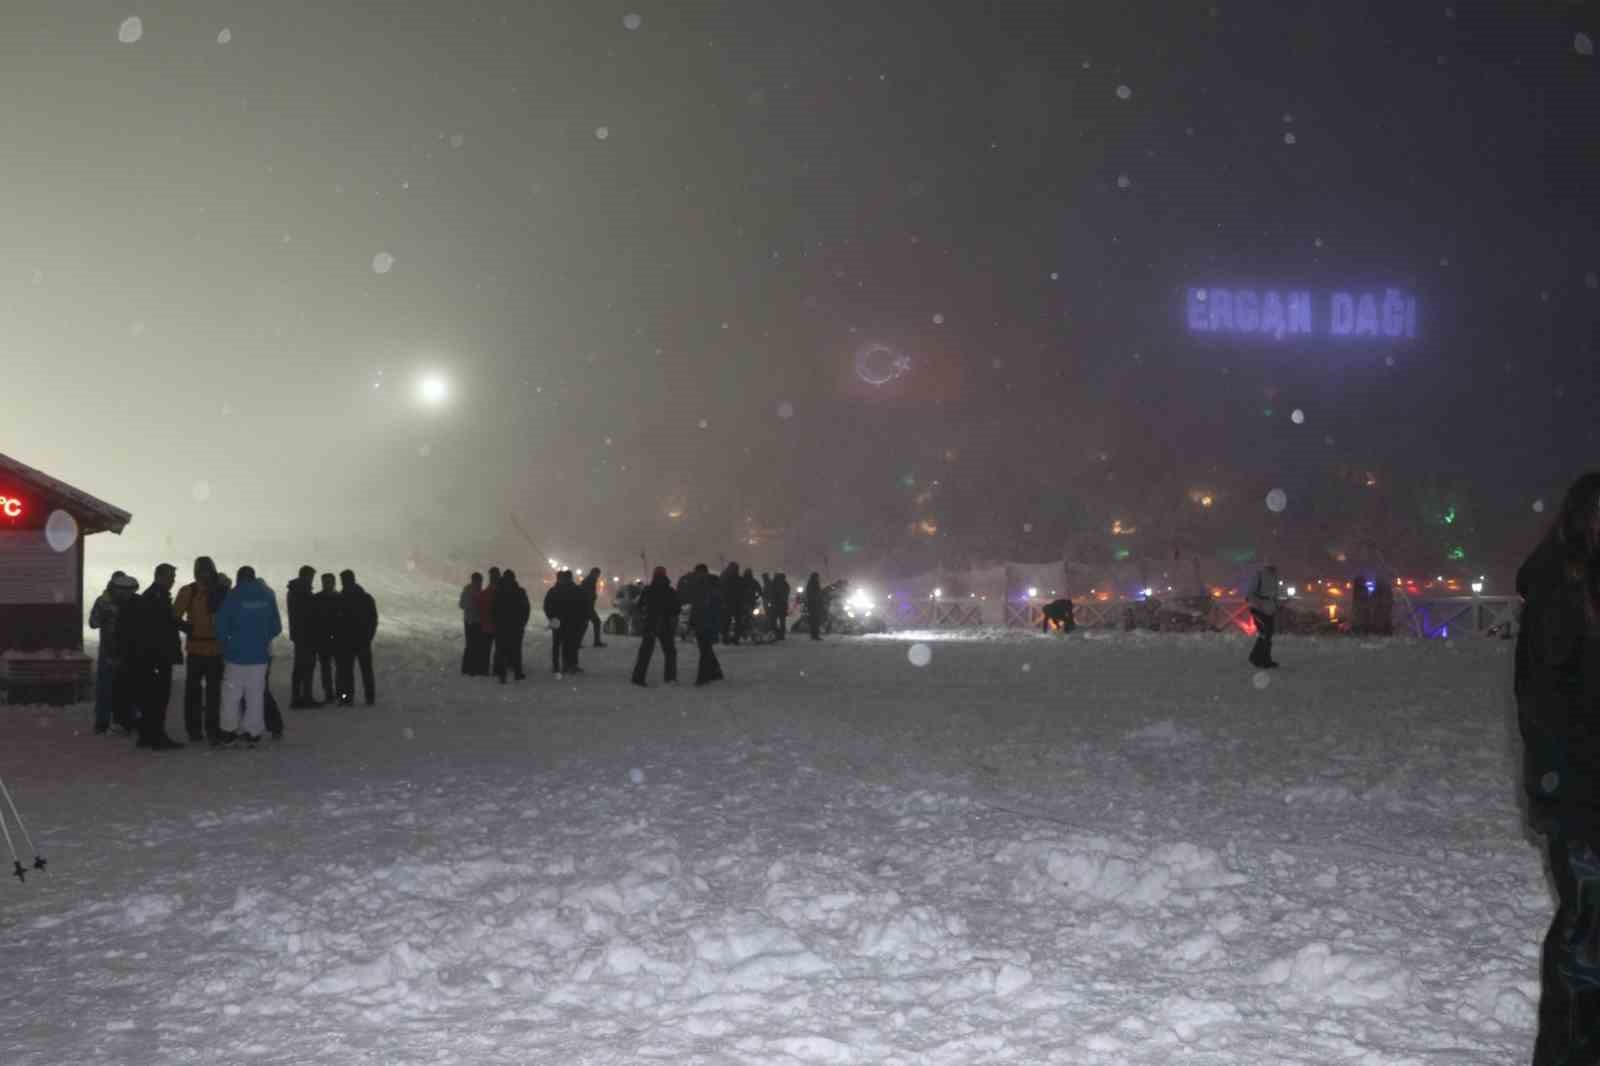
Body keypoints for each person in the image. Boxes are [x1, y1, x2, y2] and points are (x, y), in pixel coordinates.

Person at [1518, 473, 1600, 1066]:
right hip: (1580, 793)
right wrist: (1559, 790)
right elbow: (1544, 701)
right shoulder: (1562, 591)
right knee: (1586, 930)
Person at [213, 566, 282, 746]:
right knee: (256, 695)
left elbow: (220, 624)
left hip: (235, 655)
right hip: (260, 656)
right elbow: (276, 627)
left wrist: (226, 642)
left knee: (231, 694)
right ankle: (253, 732)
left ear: (238, 578)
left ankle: (228, 731)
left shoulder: (233, 596)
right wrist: (262, 638)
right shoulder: (268, 595)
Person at [121, 563, 186, 750]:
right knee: (158, 698)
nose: (173, 580)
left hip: (152, 656)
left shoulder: (154, 596)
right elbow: (160, 628)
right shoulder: (156, 597)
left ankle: (148, 735)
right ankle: (156, 736)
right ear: (160, 576)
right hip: (157, 656)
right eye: (171, 577)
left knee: (151, 698)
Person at [173, 555, 227, 743]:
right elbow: (175, 617)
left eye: (207, 570)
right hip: (199, 649)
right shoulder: (191, 591)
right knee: (196, 693)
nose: (205, 574)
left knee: (211, 693)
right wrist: (188, 628)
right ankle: (196, 731)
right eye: (202, 570)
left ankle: (209, 729)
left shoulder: (219, 590)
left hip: (213, 649)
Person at [89, 572, 139, 734]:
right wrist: (105, 610)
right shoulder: (104, 602)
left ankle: (123, 719)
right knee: (107, 687)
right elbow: (94, 622)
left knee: (126, 687)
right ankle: (104, 721)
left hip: (124, 651)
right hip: (109, 651)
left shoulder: (129, 601)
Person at [631, 567, 680, 686]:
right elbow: (676, 609)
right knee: (670, 652)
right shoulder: (670, 591)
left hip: (651, 623)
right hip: (665, 624)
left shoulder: (648, 590)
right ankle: (670, 677)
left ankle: (638, 677)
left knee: (645, 652)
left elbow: (639, 606)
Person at [336, 569, 378, 706]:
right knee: (366, 671)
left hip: (347, 641)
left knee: (346, 672)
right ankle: (369, 697)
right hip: (362, 641)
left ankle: (346, 697)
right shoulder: (366, 598)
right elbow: (373, 620)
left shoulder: (341, 599)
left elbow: (337, 621)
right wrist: (368, 636)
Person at [285, 565, 321, 707]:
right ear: (307, 576)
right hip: (307, 634)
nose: (312, 580)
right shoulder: (303, 591)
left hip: (298, 634)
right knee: (307, 666)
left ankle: (297, 697)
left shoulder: (293, 590)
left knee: (299, 666)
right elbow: (310, 613)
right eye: (311, 576)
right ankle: (305, 697)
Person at [493, 570, 531, 682]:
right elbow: (526, 609)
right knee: (516, 650)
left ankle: (502, 674)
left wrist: (496, 622)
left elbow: (493, 609)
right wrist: (522, 622)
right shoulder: (520, 591)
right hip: (516, 626)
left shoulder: (499, 591)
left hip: (502, 626)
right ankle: (517, 672)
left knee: (501, 650)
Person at [310, 573, 341, 704]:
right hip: (332, 637)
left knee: (328, 667)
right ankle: (335, 692)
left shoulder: (317, 598)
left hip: (324, 637)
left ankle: (332, 692)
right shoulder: (339, 598)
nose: (327, 584)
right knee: (333, 667)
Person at [1245, 564, 1282, 669]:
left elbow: (1273, 596)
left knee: (1267, 634)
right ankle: (1259, 659)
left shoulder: (1274, 577)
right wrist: (1257, 605)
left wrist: (1278, 604)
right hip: (1259, 610)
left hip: (1269, 610)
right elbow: (1250, 594)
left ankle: (1261, 658)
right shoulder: (1259, 576)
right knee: (1265, 634)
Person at [694, 574, 725, 686]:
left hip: (706, 626)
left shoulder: (712, 595)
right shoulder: (712, 594)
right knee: (706, 651)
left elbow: (711, 613)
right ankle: (715, 672)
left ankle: (703, 677)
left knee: (705, 652)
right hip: (706, 626)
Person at [459, 571, 485, 675]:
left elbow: (461, 604)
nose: (480, 584)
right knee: (472, 645)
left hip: (470, 621)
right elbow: (462, 604)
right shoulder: (473, 591)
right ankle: (469, 668)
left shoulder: (467, 589)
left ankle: (468, 668)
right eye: (479, 581)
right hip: (473, 621)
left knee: (471, 645)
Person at [480, 567, 501, 679]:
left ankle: (485, 669)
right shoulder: (499, 591)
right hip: (496, 625)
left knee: (487, 649)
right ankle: (495, 670)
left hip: (488, 624)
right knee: (497, 649)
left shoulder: (487, 592)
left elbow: (481, 606)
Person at [582, 568, 606, 648]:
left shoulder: (589, 580)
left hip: (586, 606)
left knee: (584, 625)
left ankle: (577, 642)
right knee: (596, 622)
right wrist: (592, 597)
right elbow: (588, 593)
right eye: (598, 574)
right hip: (587, 606)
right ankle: (596, 641)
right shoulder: (590, 581)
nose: (598, 576)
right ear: (594, 573)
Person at [720, 562, 743, 644]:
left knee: (731, 621)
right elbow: (722, 591)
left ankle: (732, 638)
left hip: (734, 602)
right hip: (730, 602)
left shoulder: (725, 577)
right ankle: (729, 638)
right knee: (729, 622)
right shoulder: (726, 578)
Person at [803, 573, 825, 641]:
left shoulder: (811, 583)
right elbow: (816, 594)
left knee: (814, 620)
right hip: (814, 604)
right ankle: (815, 635)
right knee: (815, 620)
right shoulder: (814, 583)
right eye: (817, 577)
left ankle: (814, 635)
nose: (818, 578)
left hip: (812, 604)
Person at [771, 572, 791, 640]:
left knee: (774, 620)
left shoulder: (774, 583)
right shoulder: (785, 584)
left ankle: (776, 634)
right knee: (782, 621)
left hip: (776, 604)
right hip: (782, 604)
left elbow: (771, 593)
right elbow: (786, 593)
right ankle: (781, 635)